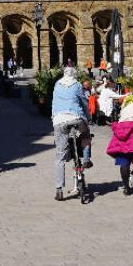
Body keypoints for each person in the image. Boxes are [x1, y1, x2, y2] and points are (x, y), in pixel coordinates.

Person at [51, 66, 93, 201]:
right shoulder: (77, 85)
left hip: (59, 120)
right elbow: (84, 102)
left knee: (59, 156)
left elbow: (53, 102)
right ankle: (86, 159)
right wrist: (88, 117)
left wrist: (53, 117)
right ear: (74, 75)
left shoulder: (57, 84)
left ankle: (59, 189)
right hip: (75, 117)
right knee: (86, 134)